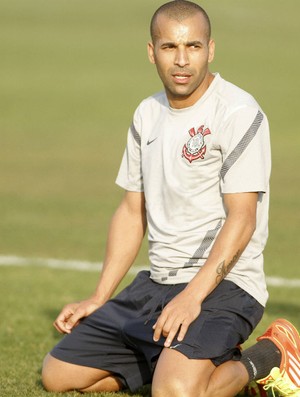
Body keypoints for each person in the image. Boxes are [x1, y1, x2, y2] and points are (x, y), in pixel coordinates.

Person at [42, 1, 300, 396]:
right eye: (169, 48)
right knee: (58, 376)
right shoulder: (147, 114)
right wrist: (99, 296)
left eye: (193, 47)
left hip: (226, 285)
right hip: (157, 283)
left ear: (210, 49)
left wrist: (192, 297)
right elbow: (132, 212)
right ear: (152, 51)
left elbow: (243, 219)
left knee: (175, 393)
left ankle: (268, 356)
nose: (182, 60)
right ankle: (177, 362)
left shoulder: (237, 112)